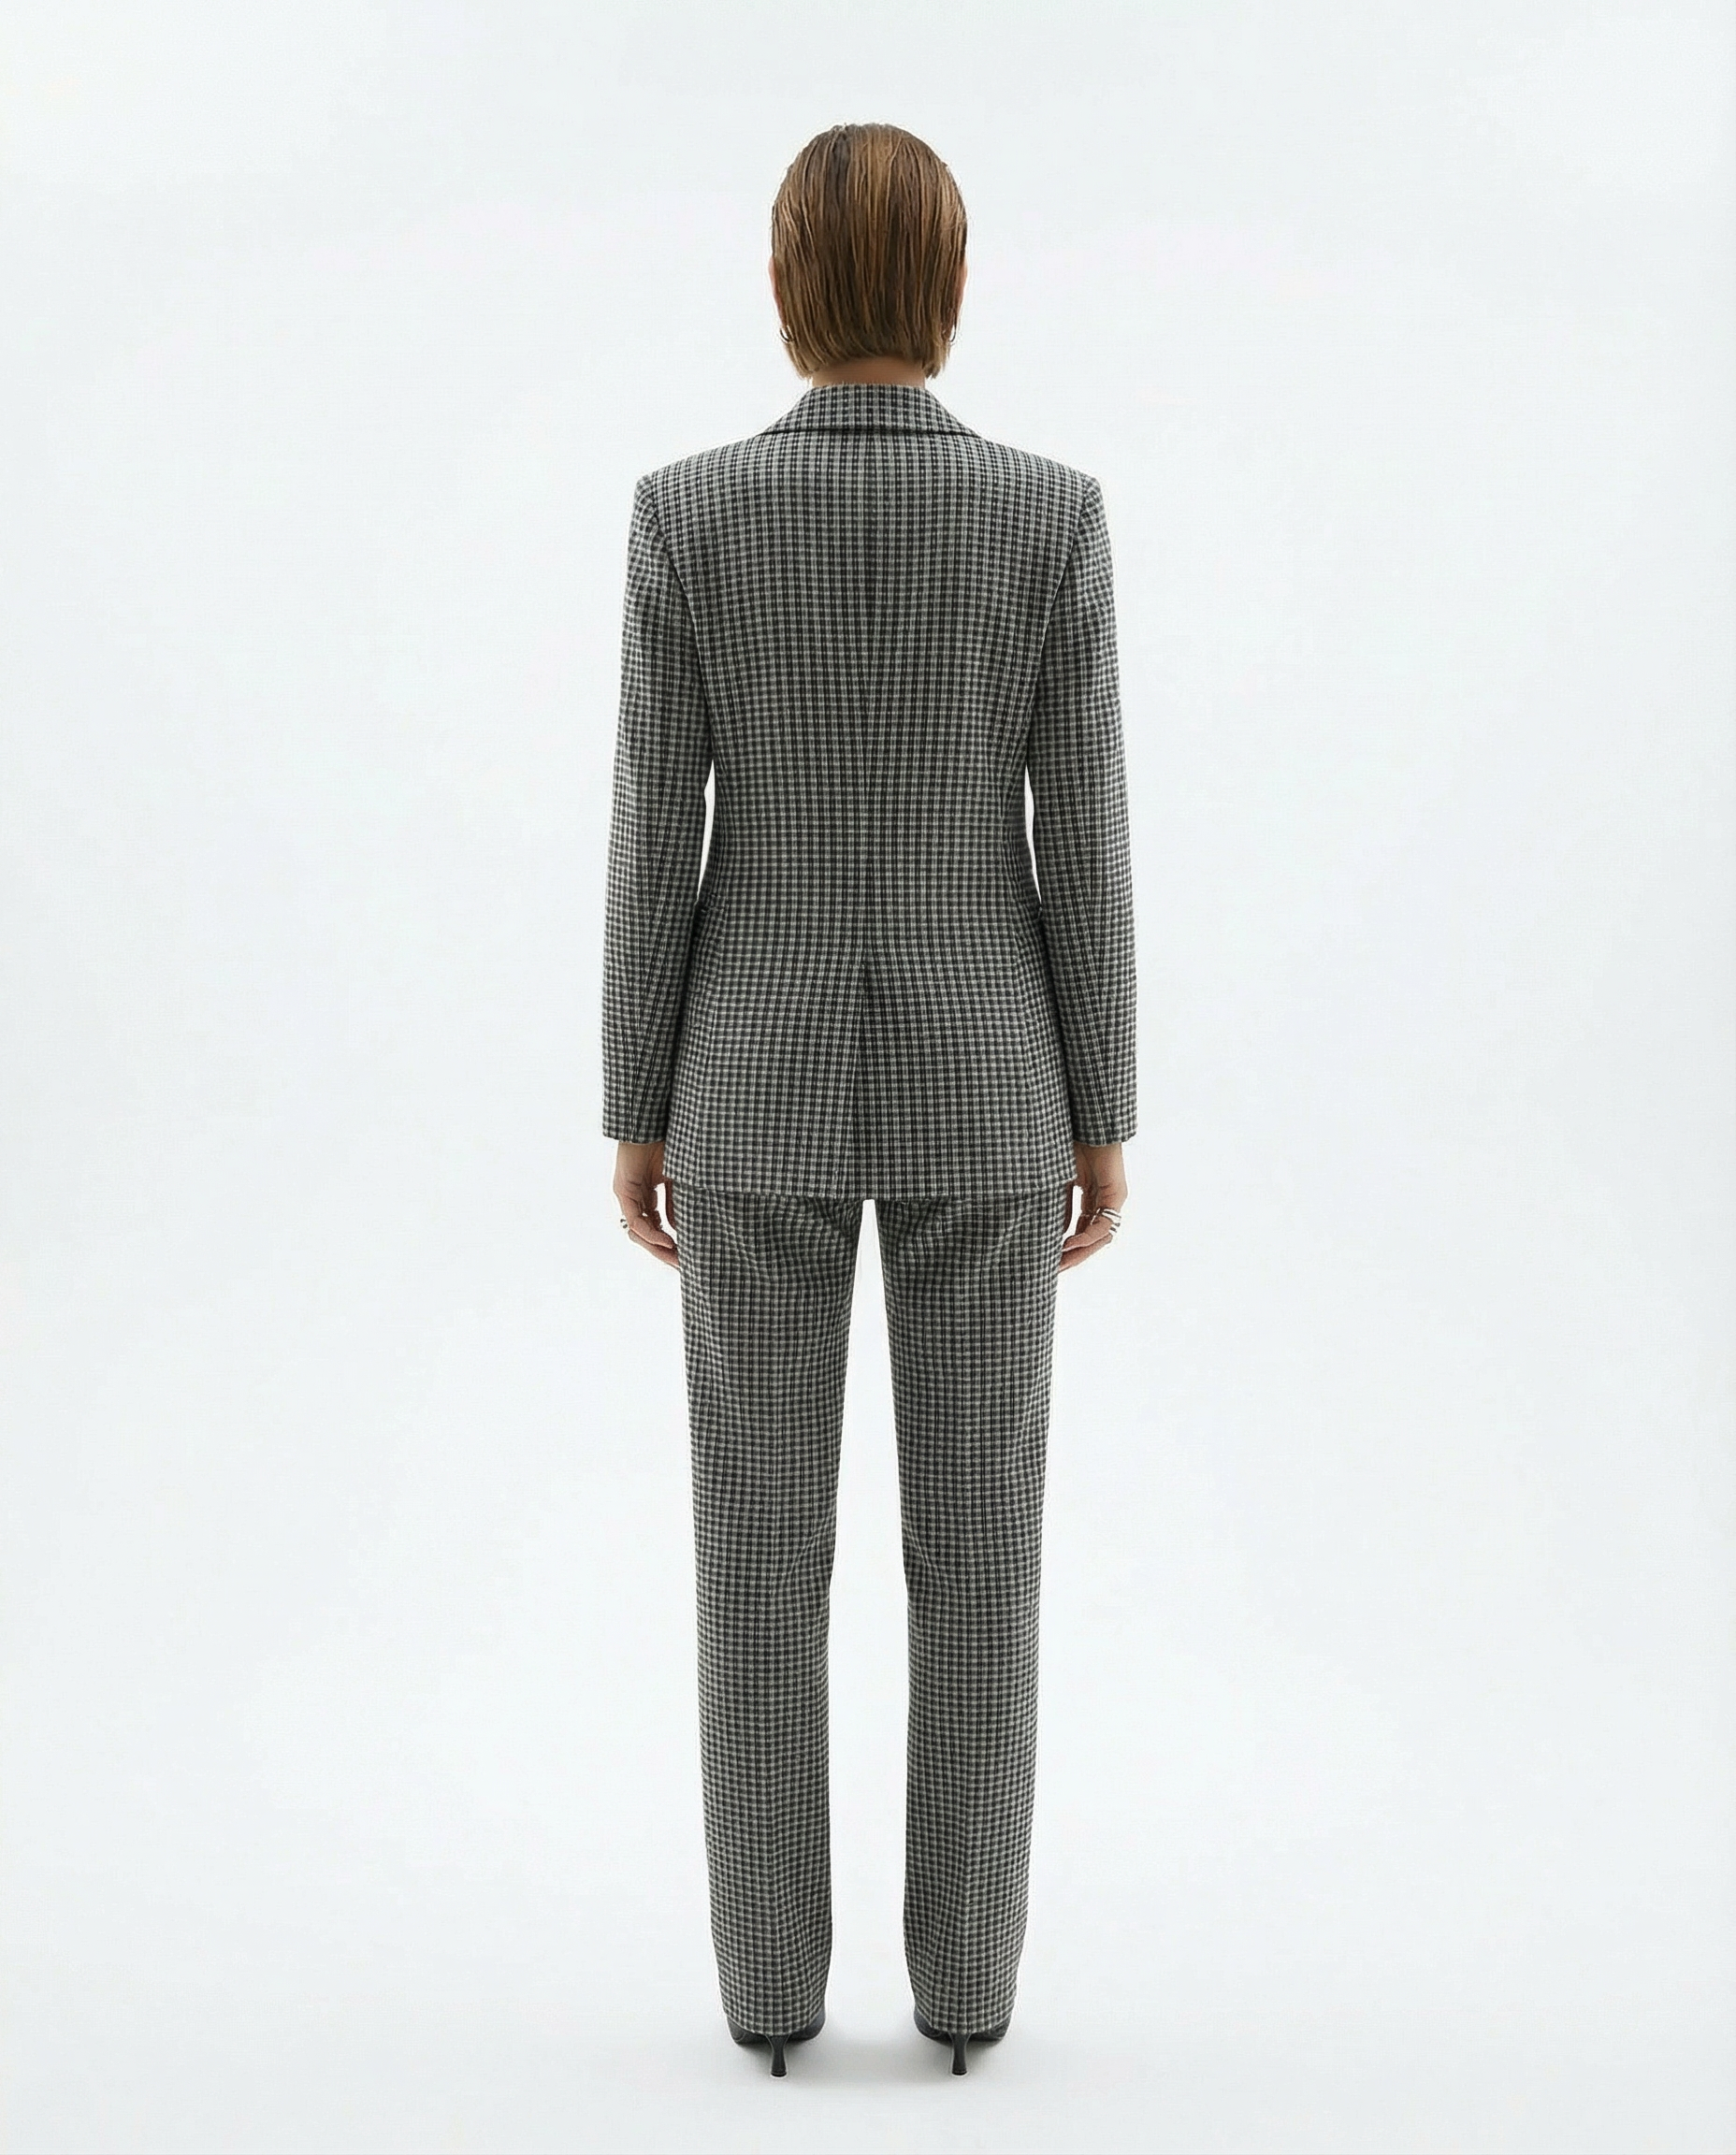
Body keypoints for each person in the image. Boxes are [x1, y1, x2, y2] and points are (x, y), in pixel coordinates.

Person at [600, 122, 1136, 2078]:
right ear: (956, 285)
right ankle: (969, 1995)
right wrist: (1102, 1104)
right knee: (979, 1557)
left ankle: (767, 1998)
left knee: (757, 1557)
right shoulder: (1048, 517)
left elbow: (656, 835)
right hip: (995, 1083)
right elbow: (1081, 837)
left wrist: (636, 1100)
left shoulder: (689, 514)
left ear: (781, 286)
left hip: (743, 1080)